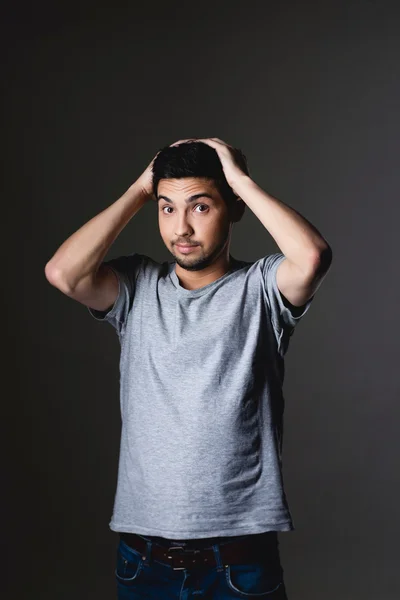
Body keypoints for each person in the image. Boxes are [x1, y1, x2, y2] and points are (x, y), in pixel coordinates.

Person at [45, 137, 332, 599]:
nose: (181, 227)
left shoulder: (260, 289)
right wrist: (141, 187)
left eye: (200, 207)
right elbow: (64, 273)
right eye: (166, 208)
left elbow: (312, 257)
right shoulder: (138, 287)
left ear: (232, 207)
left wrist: (238, 179)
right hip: (144, 563)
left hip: (239, 562)